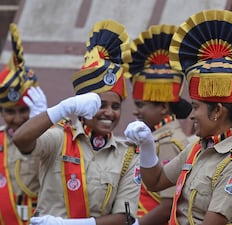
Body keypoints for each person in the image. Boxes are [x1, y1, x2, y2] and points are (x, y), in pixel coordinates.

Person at [124, 9, 232, 225]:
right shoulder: (197, 148)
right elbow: (156, 181)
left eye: (196, 107)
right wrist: (147, 146)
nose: (191, 115)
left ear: (217, 111)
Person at [12, 20, 140, 225]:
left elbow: (124, 217)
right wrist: (61, 109)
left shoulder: (128, 155)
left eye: (115, 107)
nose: (109, 113)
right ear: (83, 105)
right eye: (101, 104)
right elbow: (21, 140)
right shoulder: (59, 139)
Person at [129, 24, 192, 225]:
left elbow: (167, 204)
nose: (136, 111)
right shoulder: (157, 136)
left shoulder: (167, 142)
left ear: (164, 107)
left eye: (141, 105)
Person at [0, 23, 47, 225]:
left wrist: (43, 123)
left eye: (24, 111)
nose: (18, 119)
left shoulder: (51, 137)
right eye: (10, 112)